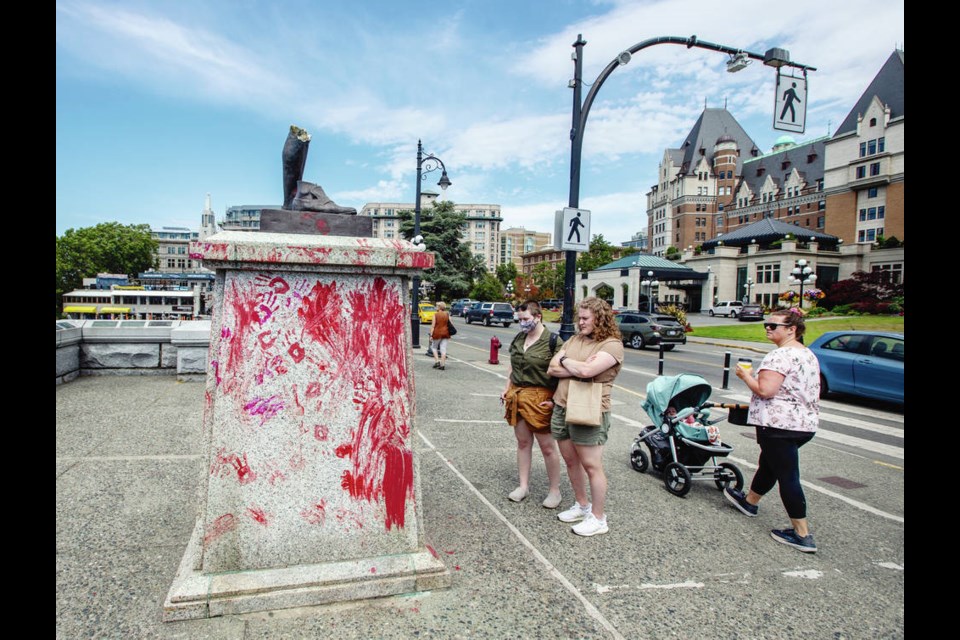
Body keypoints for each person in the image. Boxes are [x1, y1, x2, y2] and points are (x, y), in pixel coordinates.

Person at [725, 307, 820, 553]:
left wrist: (745, 376)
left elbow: (766, 391)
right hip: (803, 424)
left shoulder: (779, 356)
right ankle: (749, 502)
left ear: (792, 329)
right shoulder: (807, 354)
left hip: (777, 425)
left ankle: (802, 533)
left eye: (773, 325)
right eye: (766, 325)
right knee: (769, 463)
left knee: (788, 474)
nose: (768, 328)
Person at [547, 297, 624, 537]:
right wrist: (576, 367)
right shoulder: (573, 339)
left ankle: (599, 518)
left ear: (600, 318)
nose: (580, 322)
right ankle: (582, 505)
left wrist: (567, 361)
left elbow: (588, 370)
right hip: (562, 406)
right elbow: (552, 368)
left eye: (585, 318)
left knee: (592, 466)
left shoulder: (611, 345)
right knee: (571, 461)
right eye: (578, 318)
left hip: (590, 410)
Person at [500, 301, 564, 508]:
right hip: (518, 395)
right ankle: (523, 485)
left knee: (547, 447)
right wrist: (507, 387)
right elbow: (513, 364)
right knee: (523, 443)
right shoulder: (519, 338)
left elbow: (562, 374)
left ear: (538, 317)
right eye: (520, 320)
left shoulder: (553, 341)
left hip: (541, 396)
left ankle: (555, 491)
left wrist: (555, 400)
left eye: (526, 319)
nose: (523, 323)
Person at [429, 301, 451, 370]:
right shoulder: (447, 314)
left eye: (437, 306)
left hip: (437, 333)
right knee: (443, 349)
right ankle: (443, 365)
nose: (436, 307)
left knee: (434, 347)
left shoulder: (435, 315)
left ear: (439, 307)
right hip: (446, 333)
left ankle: (437, 361)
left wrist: (431, 335)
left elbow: (433, 326)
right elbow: (450, 325)